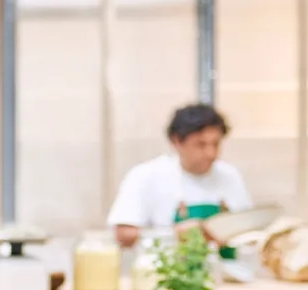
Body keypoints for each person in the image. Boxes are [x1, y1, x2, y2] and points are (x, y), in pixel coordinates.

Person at [106, 103, 253, 252]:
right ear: (177, 141)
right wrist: (173, 234)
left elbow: (249, 231)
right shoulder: (147, 176)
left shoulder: (230, 176)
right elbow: (123, 234)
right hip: (168, 272)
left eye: (216, 144)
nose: (211, 153)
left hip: (227, 272)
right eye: (201, 145)